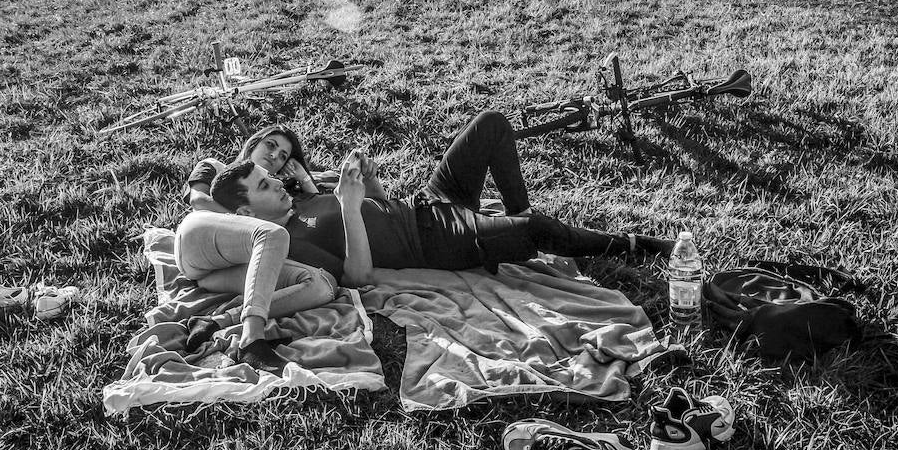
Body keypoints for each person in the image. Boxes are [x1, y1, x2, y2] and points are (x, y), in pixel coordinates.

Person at [186, 111, 673, 288]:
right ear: (247, 210)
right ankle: (633, 244)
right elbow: (357, 277)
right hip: (433, 241)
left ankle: (513, 214)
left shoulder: (299, 195)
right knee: (535, 233)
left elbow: (378, 206)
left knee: (491, 124)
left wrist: (366, 185)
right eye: (266, 178)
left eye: (278, 160)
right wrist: (349, 206)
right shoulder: (280, 238)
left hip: (425, 203)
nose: (274, 171)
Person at [171, 125, 338, 374]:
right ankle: (252, 340)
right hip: (201, 243)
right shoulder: (215, 167)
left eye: (283, 155)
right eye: (270, 145)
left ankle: (214, 322)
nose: (274, 156)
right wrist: (249, 214)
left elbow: (319, 210)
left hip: (224, 271)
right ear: (254, 142)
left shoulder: (276, 192)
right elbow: (199, 201)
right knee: (272, 234)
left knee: (323, 283)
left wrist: (302, 181)